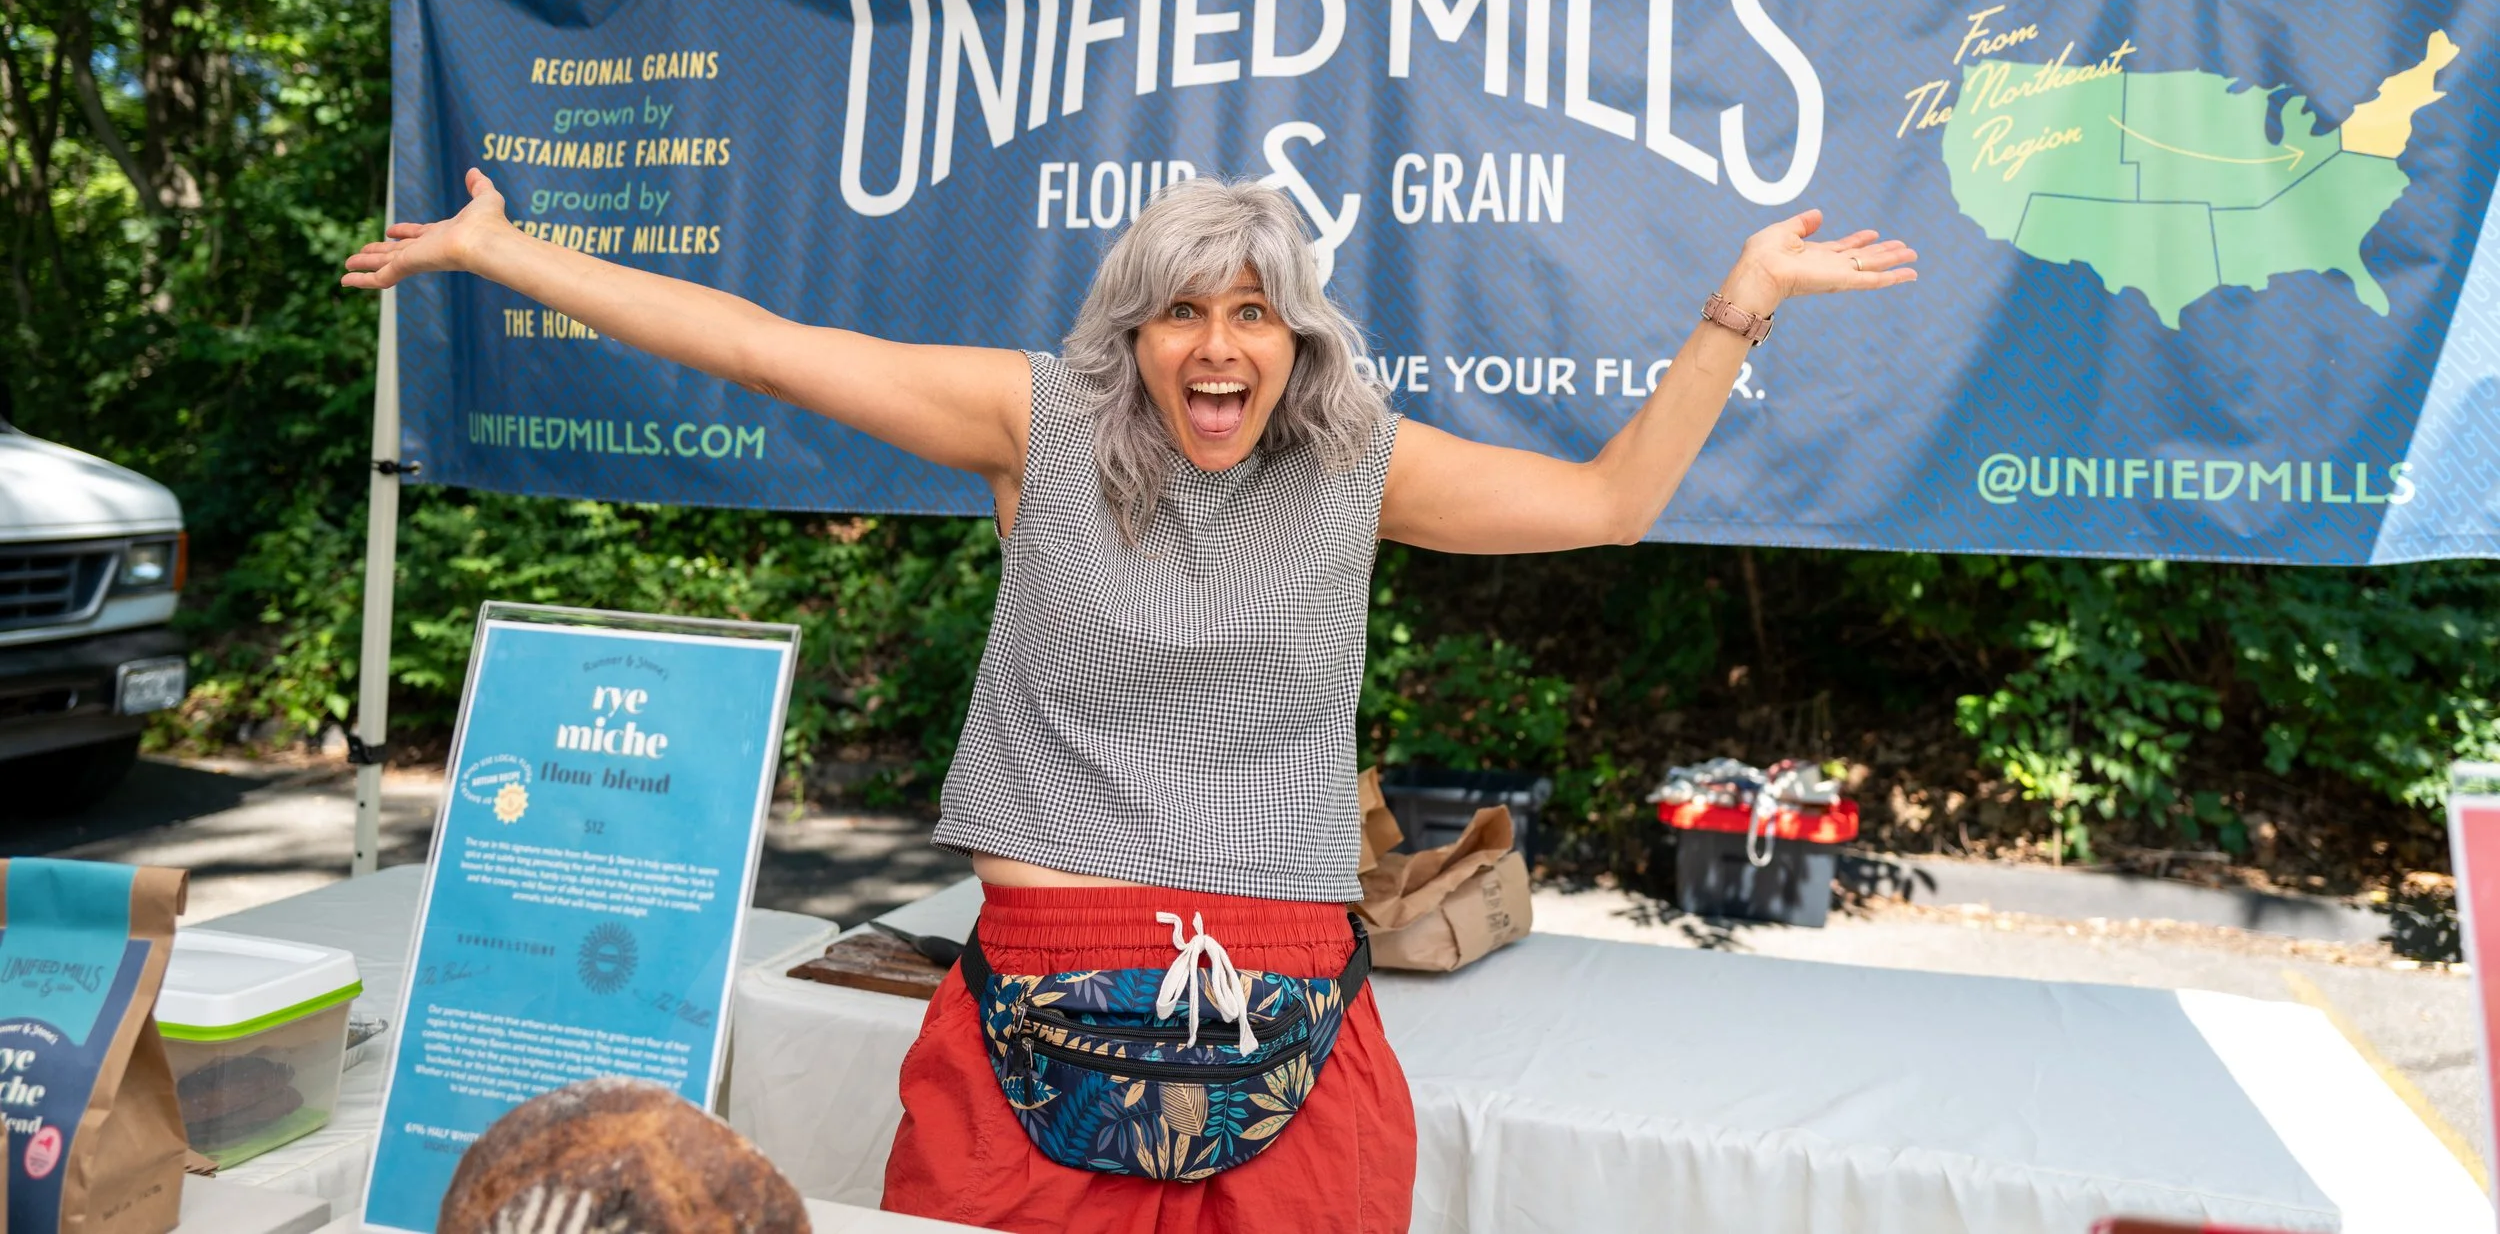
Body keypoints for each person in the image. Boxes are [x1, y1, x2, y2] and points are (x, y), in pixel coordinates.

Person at [344, 168, 1914, 1233]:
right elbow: (764, 350)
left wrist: (1741, 300)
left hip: (1292, 1032)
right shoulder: (1036, 423)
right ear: (1135, 335)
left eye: (1252, 313)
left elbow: (1612, 500)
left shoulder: (1360, 467)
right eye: (1183, 313)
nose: (1217, 346)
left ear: (1295, 336)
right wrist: (498, 252)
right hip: (1037, 1020)